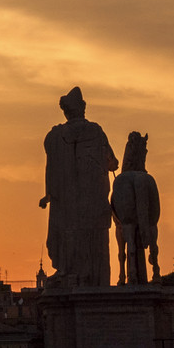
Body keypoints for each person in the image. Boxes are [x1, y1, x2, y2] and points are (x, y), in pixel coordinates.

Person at [39, 87, 119, 286]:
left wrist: (49, 195)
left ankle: (68, 272)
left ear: (66, 111)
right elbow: (113, 163)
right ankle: (92, 276)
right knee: (94, 239)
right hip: (94, 205)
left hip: (67, 206)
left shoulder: (55, 136)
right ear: (82, 108)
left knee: (70, 234)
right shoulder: (96, 131)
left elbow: (52, 169)